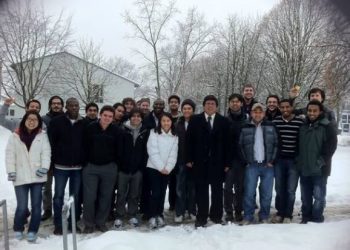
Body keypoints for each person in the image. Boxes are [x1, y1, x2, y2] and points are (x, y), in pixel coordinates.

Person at [6, 111, 51, 242]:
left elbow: (46, 152)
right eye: (29, 119)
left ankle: (32, 230)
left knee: (37, 206)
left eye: (35, 120)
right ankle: (18, 227)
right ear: (24, 120)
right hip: (20, 175)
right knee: (22, 206)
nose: (32, 122)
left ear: (39, 122)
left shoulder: (42, 135)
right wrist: (11, 171)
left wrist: (44, 167)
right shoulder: (15, 135)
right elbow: (10, 154)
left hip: (37, 176)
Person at [186, 95, 230, 228]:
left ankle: (216, 216)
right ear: (204, 105)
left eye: (212, 103)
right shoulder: (195, 120)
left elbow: (229, 144)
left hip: (218, 163)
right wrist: (188, 159)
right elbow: (189, 141)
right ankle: (202, 217)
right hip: (200, 162)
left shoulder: (223, 121)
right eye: (208, 103)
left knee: (217, 191)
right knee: (201, 191)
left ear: (216, 106)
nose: (210, 106)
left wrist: (227, 163)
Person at [48, 97, 88, 235]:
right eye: (71, 105)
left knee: (75, 197)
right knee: (58, 196)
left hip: (77, 168)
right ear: (66, 107)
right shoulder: (56, 122)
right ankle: (58, 224)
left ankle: (73, 222)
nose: (74, 108)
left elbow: (86, 144)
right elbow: (51, 143)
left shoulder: (84, 122)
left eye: (76, 105)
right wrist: (51, 163)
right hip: (60, 167)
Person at [82, 105, 122, 233]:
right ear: (100, 115)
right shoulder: (90, 128)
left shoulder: (116, 131)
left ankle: (101, 222)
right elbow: (84, 146)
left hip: (109, 168)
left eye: (110, 116)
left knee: (106, 196)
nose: (107, 118)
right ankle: (89, 224)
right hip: (91, 168)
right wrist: (85, 163)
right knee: (89, 196)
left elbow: (119, 150)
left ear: (113, 118)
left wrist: (115, 165)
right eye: (105, 115)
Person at [297, 100, 337, 224]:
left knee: (319, 196)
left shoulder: (327, 125)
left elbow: (332, 146)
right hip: (304, 168)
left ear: (320, 111)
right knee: (305, 196)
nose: (312, 113)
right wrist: (299, 160)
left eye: (315, 110)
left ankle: (317, 218)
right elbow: (297, 145)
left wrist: (321, 161)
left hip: (320, 169)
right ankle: (306, 216)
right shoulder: (302, 125)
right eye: (309, 110)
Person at [239, 103, 278, 225]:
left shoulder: (271, 126)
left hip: (268, 165)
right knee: (249, 192)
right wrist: (246, 161)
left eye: (260, 112)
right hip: (252, 165)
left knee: (266, 193)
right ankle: (248, 216)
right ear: (251, 113)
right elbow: (239, 145)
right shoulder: (245, 126)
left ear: (264, 114)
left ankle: (264, 216)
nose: (257, 114)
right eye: (255, 112)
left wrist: (272, 160)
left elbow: (277, 144)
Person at [114, 108, 150, 228]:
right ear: (130, 118)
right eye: (133, 116)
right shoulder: (122, 129)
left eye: (138, 116)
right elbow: (118, 150)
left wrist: (141, 167)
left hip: (137, 169)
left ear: (141, 118)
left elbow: (146, 151)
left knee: (134, 194)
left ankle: (132, 214)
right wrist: (120, 165)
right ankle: (119, 215)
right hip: (123, 169)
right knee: (121, 194)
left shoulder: (145, 131)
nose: (136, 118)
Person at [271, 99, 304, 223]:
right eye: (282, 107)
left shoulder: (300, 121)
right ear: (279, 108)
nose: (285, 109)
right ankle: (280, 212)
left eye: (287, 107)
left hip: (294, 161)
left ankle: (288, 214)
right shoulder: (275, 122)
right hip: (279, 160)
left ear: (292, 107)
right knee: (279, 189)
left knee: (290, 189)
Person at [147, 112, 178, 229]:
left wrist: (168, 168)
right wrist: (161, 167)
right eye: (163, 121)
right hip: (154, 168)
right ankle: (152, 216)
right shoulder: (153, 133)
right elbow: (152, 151)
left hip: (166, 170)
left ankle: (159, 214)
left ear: (171, 122)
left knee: (162, 192)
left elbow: (173, 154)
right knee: (155, 192)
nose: (166, 123)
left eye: (168, 121)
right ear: (160, 122)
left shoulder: (174, 136)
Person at [224, 94, 248, 222]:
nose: (235, 104)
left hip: (242, 159)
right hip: (229, 159)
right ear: (229, 104)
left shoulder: (246, 120)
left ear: (241, 104)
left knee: (240, 187)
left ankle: (239, 210)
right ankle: (228, 211)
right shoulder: (224, 120)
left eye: (237, 101)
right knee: (228, 187)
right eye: (232, 101)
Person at [41, 96, 64, 221]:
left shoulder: (66, 118)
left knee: (60, 188)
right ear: (50, 105)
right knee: (47, 187)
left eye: (58, 103)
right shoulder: (44, 119)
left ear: (62, 105)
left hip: (61, 159)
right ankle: (47, 209)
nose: (56, 105)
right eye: (54, 103)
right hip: (46, 158)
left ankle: (59, 209)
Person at [174, 99, 197, 223]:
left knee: (192, 188)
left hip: (194, 162)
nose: (187, 110)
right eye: (185, 108)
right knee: (180, 188)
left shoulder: (198, 123)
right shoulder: (178, 124)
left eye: (189, 108)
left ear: (193, 110)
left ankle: (192, 210)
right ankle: (180, 212)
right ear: (182, 110)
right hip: (181, 161)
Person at [167, 94, 181, 211]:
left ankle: (181, 203)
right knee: (171, 182)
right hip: (167, 153)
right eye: (171, 102)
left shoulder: (182, 117)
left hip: (180, 153)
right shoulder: (165, 117)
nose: (173, 103)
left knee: (180, 180)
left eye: (176, 102)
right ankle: (172, 204)